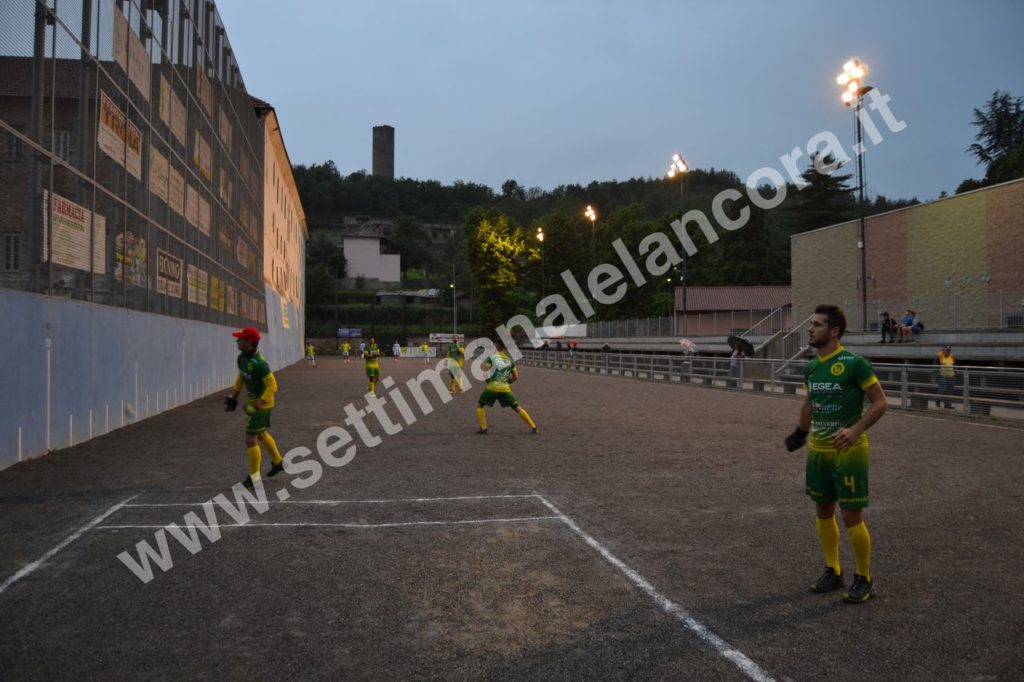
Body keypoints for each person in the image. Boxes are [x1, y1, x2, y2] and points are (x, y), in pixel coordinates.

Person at [783, 304, 888, 604]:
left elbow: (881, 402)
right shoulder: (812, 367)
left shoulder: (855, 364)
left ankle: (864, 578)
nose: (810, 329)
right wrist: (800, 433)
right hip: (818, 451)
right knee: (823, 510)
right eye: (811, 324)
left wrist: (856, 430)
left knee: (851, 514)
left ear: (834, 331)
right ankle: (833, 570)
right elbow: (810, 404)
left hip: (849, 451)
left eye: (816, 324)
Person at [224, 326, 285, 490]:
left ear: (249, 342)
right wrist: (233, 398)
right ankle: (278, 462)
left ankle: (254, 478)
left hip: (262, 406)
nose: (237, 341)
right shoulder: (242, 358)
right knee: (261, 433)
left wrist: (261, 402)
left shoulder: (260, 364)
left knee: (251, 438)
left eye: (240, 339)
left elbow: (273, 386)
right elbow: (241, 378)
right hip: (254, 404)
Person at [475, 339, 538, 435]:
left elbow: (485, 373)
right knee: (517, 407)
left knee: (480, 405)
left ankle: (483, 428)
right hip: (505, 388)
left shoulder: (491, 358)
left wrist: (488, 382)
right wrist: (508, 381)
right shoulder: (510, 360)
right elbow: (516, 377)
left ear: (495, 347)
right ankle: (534, 427)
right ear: (504, 348)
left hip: (492, 387)